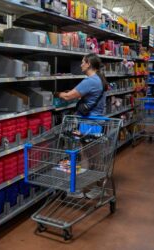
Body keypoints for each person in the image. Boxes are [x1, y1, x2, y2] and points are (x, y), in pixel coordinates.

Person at [56, 53, 107, 199]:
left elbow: (68, 96)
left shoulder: (90, 81)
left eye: (82, 62)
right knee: (89, 156)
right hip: (94, 123)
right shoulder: (100, 79)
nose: (80, 65)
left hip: (89, 124)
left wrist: (56, 93)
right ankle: (80, 187)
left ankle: (95, 188)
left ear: (89, 64)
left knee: (92, 158)